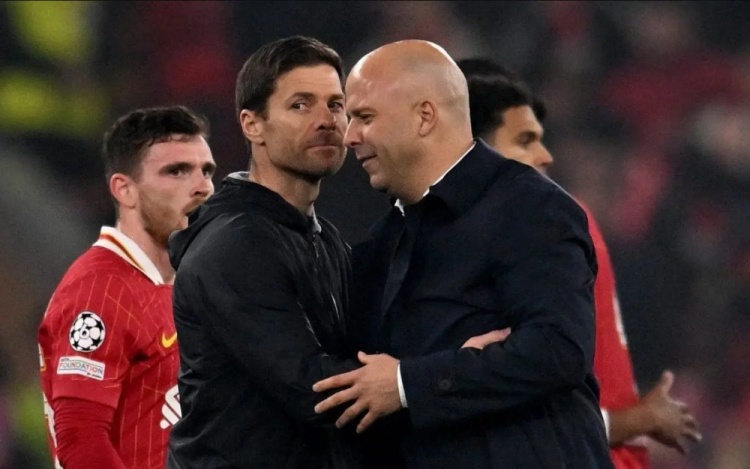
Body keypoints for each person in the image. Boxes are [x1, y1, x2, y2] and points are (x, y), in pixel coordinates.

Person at [313, 40, 613, 468]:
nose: (349, 136)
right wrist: (449, 366)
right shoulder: (380, 247)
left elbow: (558, 348)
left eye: (365, 117)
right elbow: (366, 384)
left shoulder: (528, 206)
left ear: (425, 116)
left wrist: (407, 383)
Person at [456, 57, 703, 468]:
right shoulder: (548, 223)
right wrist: (638, 419)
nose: (545, 156)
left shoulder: (547, 225)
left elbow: (527, 413)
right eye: (524, 141)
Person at [165, 36, 365, 469]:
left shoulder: (323, 238)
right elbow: (314, 391)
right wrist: (420, 382)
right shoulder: (235, 246)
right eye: (300, 105)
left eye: (335, 105)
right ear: (252, 124)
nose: (326, 120)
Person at [38, 106, 216, 469]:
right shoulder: (99, 291)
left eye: (206, 170)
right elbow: (80, 441)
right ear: (125, 190)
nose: (203, 187)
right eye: (177, 171)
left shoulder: (180, 283)